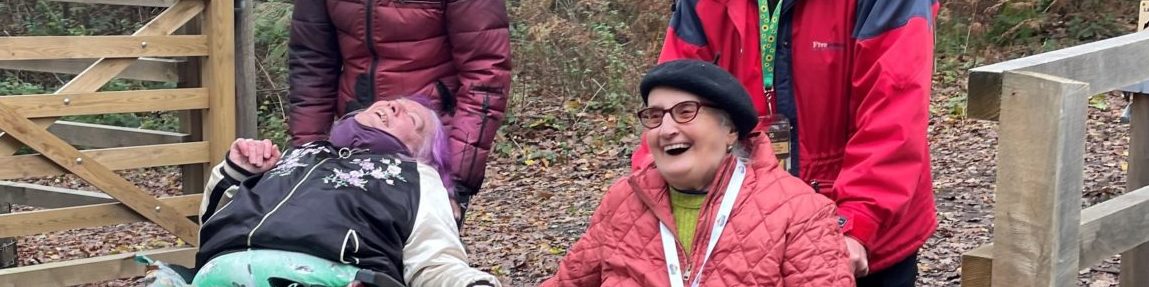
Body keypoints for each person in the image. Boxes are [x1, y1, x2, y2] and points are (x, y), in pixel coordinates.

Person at [635, 0, 940, 285]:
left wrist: (857, 221)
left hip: (862, 229)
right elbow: (672, 111)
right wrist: (647, 204)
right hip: (744, 232)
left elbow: (894, 111)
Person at [542, 60, 853, 286]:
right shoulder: (623, 201)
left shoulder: (799, 211)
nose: (666, 129)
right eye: (654, 116)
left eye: (685, 111)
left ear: (730, 129)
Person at [144, 98, 500, 287]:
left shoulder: (416, 176)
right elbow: (212, 225)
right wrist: (235, 172)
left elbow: (434, 261)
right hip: (214, 277)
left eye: (413, 118)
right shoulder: (297, 156)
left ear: (421, 151)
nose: (395, 105)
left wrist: (472, 284)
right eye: (391, 101)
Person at [286, 0, 513, 221]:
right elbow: (312, 65)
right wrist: (308, 155)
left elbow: (485, 76)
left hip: (425, 149)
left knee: (424, 254)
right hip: (353, 140)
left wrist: (453, 179)